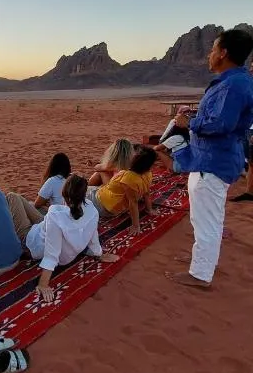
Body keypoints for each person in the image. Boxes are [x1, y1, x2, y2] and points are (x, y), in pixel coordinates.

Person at [167, 29, 253, 288]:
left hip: (213, 162)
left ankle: (200, 274)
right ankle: (202, 260)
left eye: (214, 49)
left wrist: (189, 122)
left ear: (224, 53)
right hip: (210, 160)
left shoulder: (233, 84)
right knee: (204, 218)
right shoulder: (234, 82)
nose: (210, 54)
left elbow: (221, 123)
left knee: (207, 221)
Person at [35, 175, 119, 302]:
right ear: (84, 195)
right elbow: (93, 237)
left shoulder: (55, 214)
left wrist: (43, 284)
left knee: (17, 199)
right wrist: (99, 254)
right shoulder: (92, 210)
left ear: (64, 194)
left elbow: (51, 254)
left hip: (33, 241)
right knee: (36, 213)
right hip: (58, 244)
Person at [86, 146, 158, 236]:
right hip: (110, 200)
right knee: (100, 175)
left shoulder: (127, 177)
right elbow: (146, 193)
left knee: (79, 189)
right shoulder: (148, 174)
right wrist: (149, 209)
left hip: (102, 205)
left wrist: (136, 226)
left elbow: (133, 203)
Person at [230, 60, 253, 203]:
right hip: (248, 128)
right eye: (251, 66)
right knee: (251, 161)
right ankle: (249, 192)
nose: (251, 69)